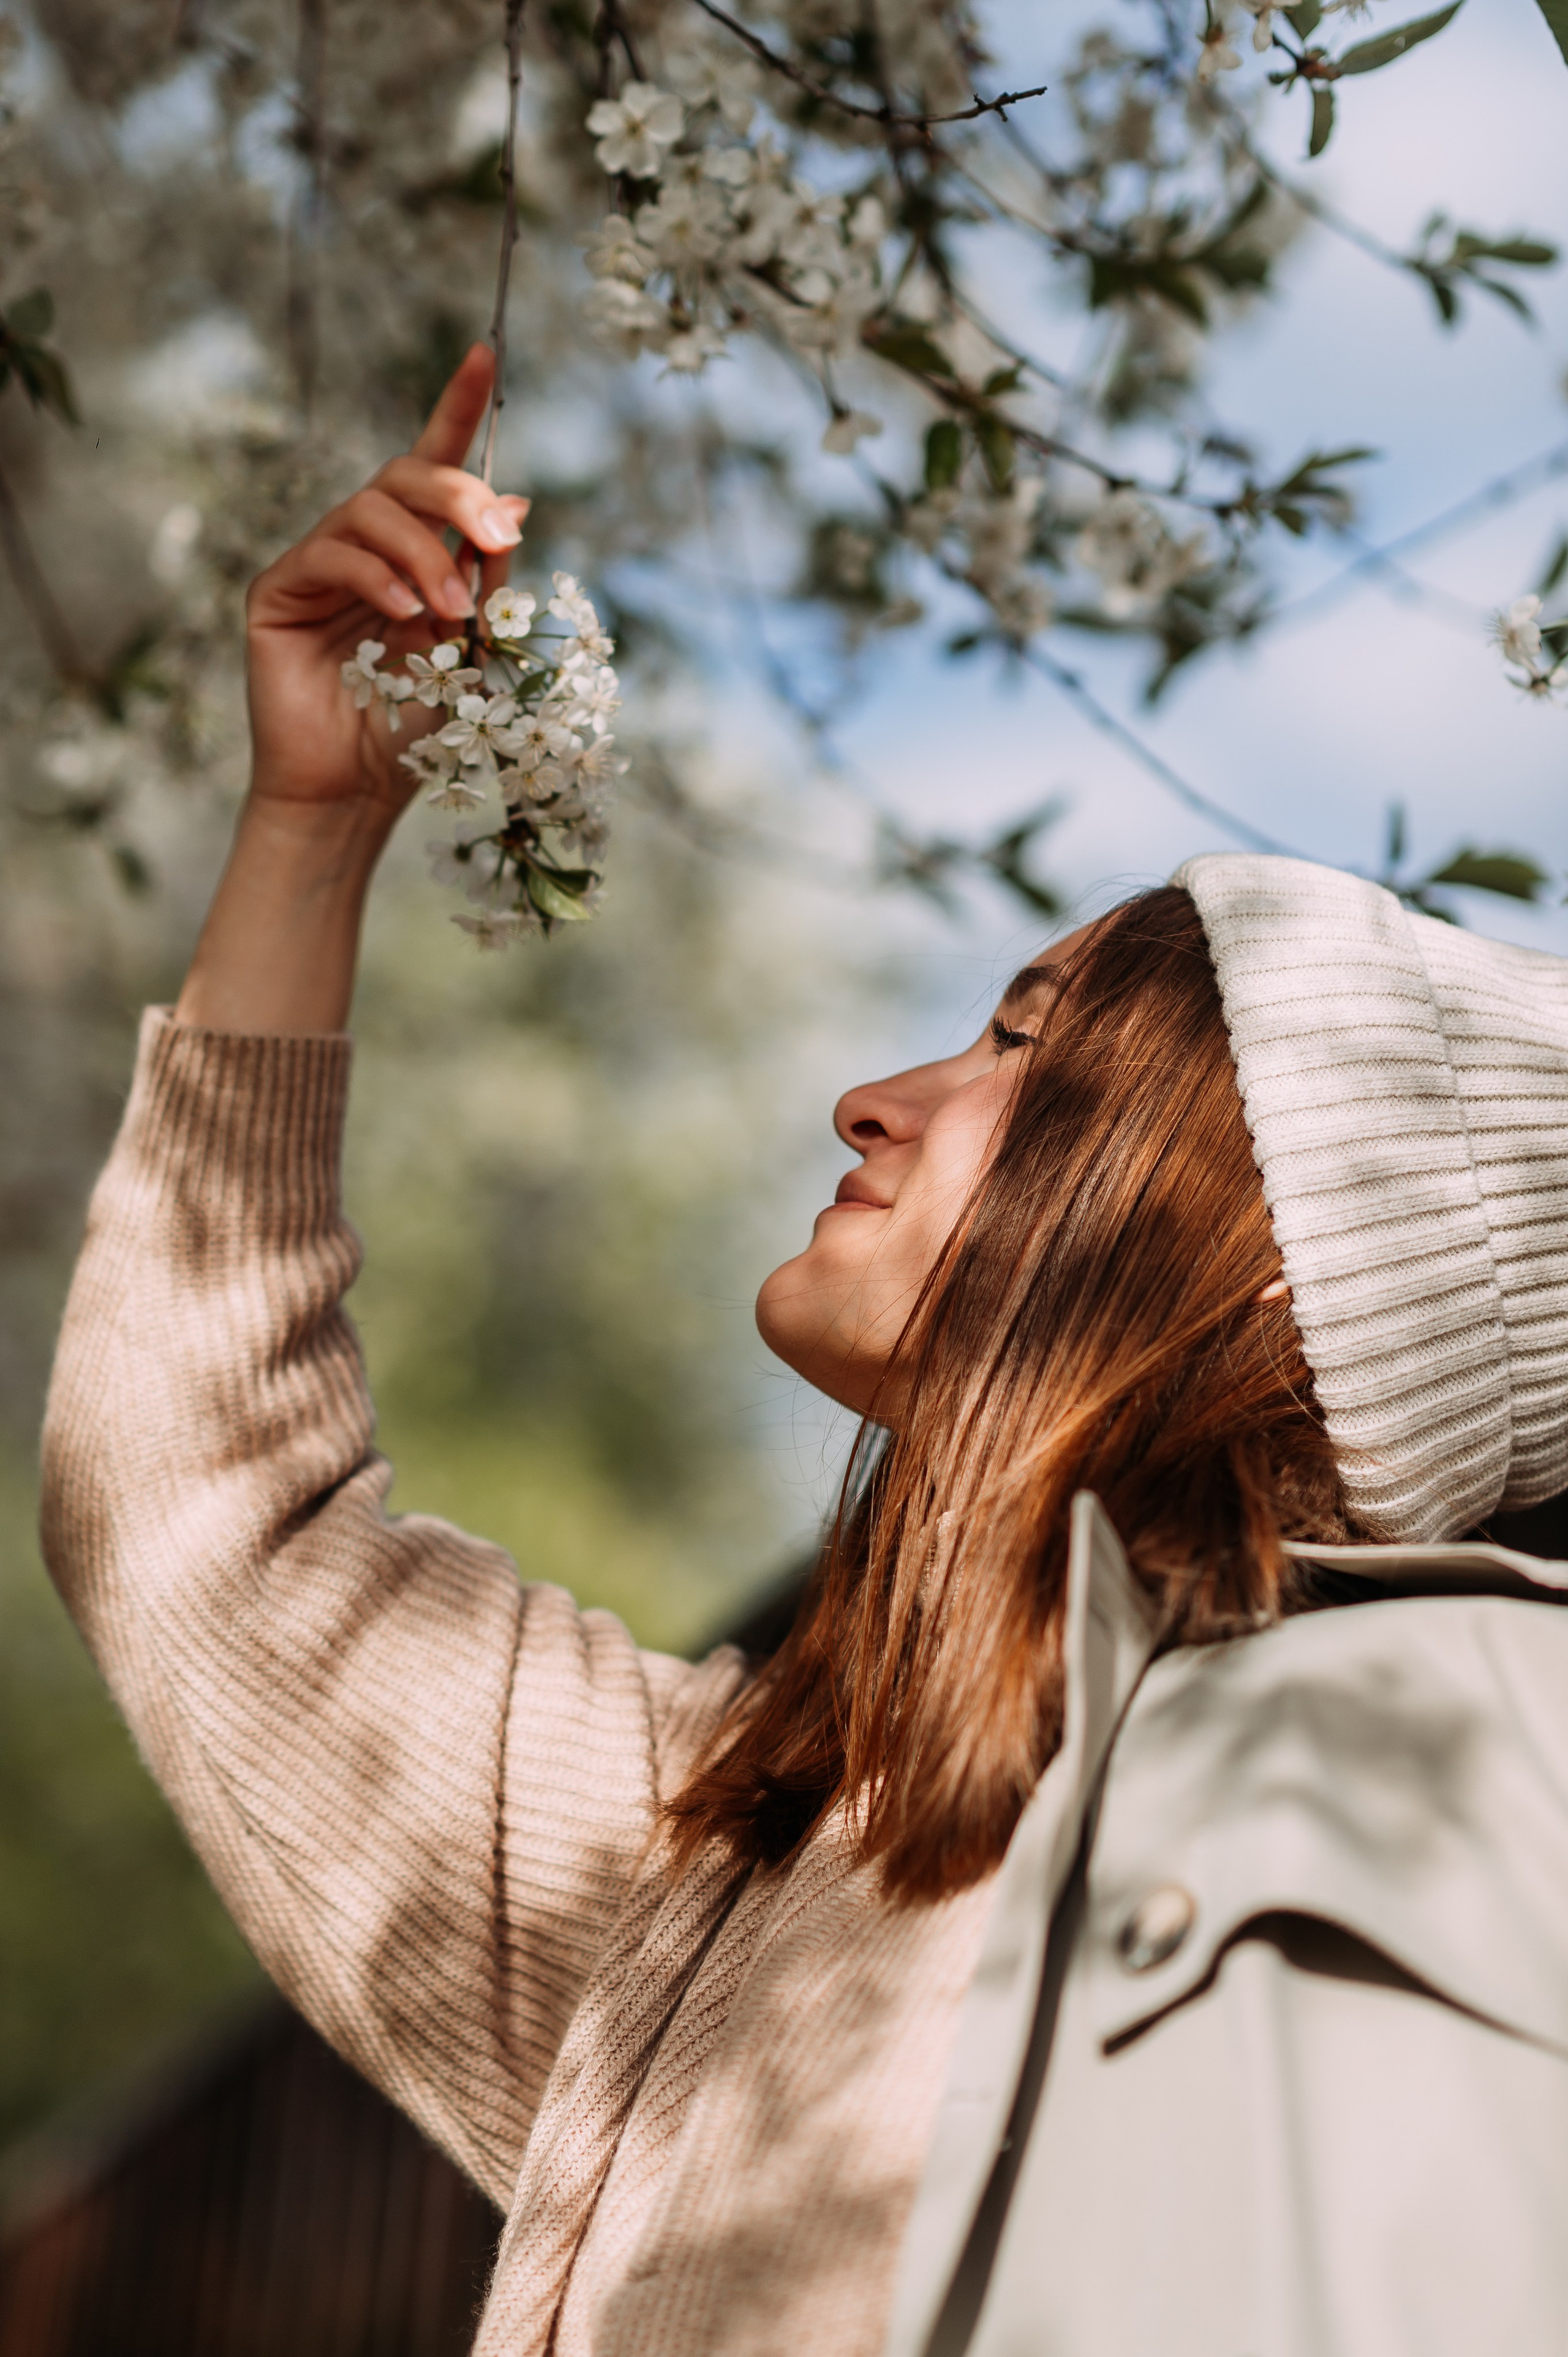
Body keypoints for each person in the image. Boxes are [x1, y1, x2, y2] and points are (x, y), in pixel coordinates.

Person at [40, 346, 1568, 2357]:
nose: (874, 1097)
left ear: (1293, 1253)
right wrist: (314, 829)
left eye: (1026, 1049)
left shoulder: (1491, 1750)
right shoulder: (734, 1856)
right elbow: (191, 1514)